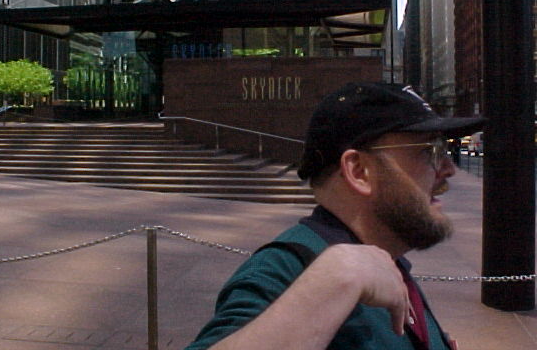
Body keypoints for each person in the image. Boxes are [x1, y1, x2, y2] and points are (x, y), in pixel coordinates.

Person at [184, 82, 485, 350]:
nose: (448, 169)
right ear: (359, 171)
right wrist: (337, 277)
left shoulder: (388, 261)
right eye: (430, 150)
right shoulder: (286, 271)